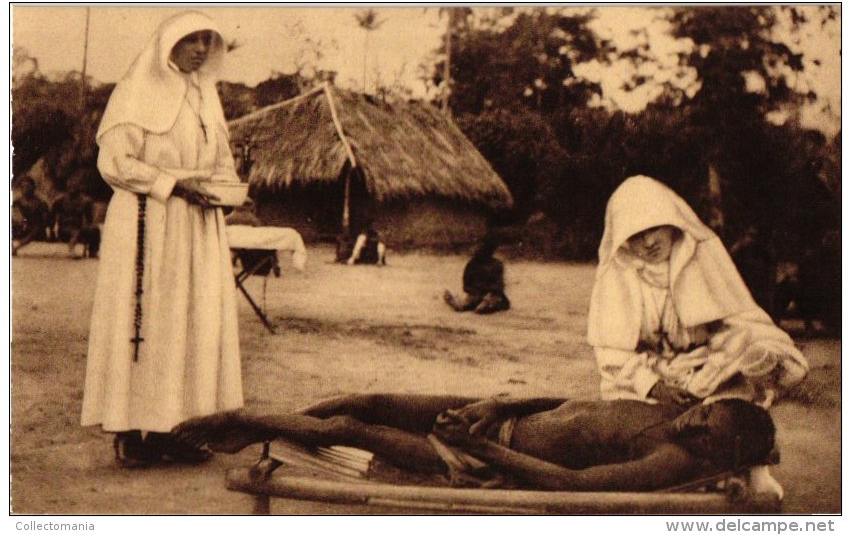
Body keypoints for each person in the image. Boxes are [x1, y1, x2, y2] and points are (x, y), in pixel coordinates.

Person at [81, 11, 243, 468]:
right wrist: (171, 185)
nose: (199, 49)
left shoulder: (206, 96)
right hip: (149, 222)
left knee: (190, 322)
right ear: (167, 44)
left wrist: (227, 191)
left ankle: (178, 429)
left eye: (206, 41)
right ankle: (131, 431)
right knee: (146, 321)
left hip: (198, 226)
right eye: (190, 40)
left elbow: (221, 159)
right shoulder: (137, 91)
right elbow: (114, 162)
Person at [172, 393, 777, 492]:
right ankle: (273, 424)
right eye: (704, 412)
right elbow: (569, 401)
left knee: (354, 432)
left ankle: (251, 419)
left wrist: (480, 446)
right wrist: (499, 404)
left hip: (483, 460)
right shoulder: (673, 412)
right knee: (370, 400)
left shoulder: (670, 459)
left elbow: (570, 485)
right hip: (493, 421)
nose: (693, 424)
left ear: (719, 455)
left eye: (707, 434)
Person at [587, 176, 808, 409]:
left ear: (672, 224)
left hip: (707, 373)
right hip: (645, 378)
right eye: (636, 235)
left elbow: (745, 325)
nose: (649, 242)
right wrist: (654, 386)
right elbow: (611, 354)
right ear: (623, 241)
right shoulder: (618, 274)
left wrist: (750, 352)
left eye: (654, 228)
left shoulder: (701, 259)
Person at [444, 240, 510, 314]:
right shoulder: (475, 264)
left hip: (485, 293)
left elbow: (467, 283)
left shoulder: (477, 264)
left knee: (488, 299)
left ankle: (479, 304)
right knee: (478, 301)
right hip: (479, 293)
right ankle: (480, 304)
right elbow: (499, 285)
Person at [49, 175, 101, 258]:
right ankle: (71, 249)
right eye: (70, 186)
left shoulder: (85, 201)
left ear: (80, 187)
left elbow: (89, 219)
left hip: (79, 227)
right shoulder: (59, 200)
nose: (72, 188)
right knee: (73, 230)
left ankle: (93, 251)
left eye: (75, 186)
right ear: (67, 186)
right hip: (64, 230)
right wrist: (51, 232)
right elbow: (51, 217)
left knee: (95, 229)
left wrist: (87, 227)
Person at [11, 176, 49, 256]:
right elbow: (16, 215)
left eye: (28, 186)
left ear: (33, 188)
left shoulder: (40, 203)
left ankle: (17, 247)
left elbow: (45, 220)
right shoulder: (17, 202)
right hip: (22, 227)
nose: (25, 189)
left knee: (36, 228)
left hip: (36, 230)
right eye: (23, 186)